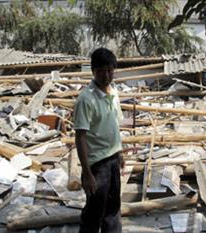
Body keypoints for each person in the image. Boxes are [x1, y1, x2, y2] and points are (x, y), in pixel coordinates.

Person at [73, 48, 124, 233]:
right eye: (101, 70)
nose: (106, 75)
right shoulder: (86, 99)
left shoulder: (114, 93)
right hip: (97, 165)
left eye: (110, 70)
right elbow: (80, 137)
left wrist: (120, 152)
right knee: (94, 213)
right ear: (93, 71)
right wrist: (87, 174)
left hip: (112, 160)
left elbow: (114, 126)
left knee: (113, 208)